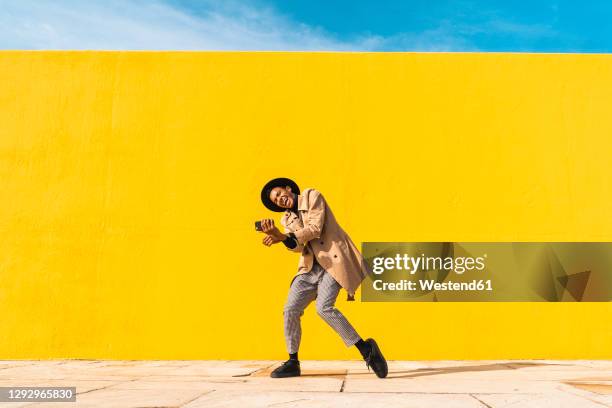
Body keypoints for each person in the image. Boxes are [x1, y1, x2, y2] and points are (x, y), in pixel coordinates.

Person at [258, 177, 388, 379]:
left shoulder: (311, 195)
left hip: (332, 263)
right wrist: (279, 239)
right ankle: (293, 362)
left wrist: (283, 237)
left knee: (323, 308)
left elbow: (315, 229)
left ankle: (365, 349)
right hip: (309, 268)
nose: (279, 200)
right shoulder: (286, 220)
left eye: (279, 194)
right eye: (275, 201)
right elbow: (299, 247)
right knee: (290, 309)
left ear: (287, 188)